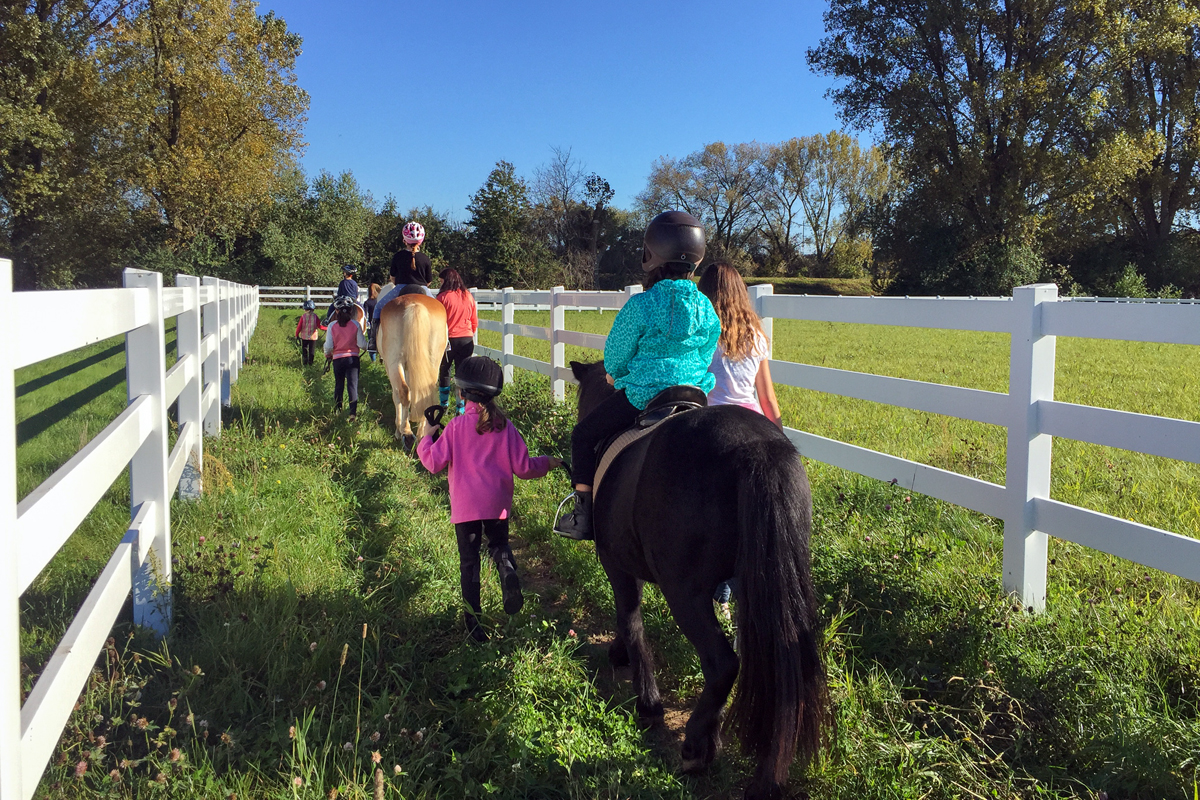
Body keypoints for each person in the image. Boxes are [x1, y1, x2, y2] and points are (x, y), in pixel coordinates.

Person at [553, 211, 720, 541]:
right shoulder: (706, 306)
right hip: (693, 394)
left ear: (651, 255)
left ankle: (583, 514)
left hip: (644, 396)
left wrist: (614, 376)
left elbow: (616, 352)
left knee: (583, 436)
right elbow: (706, 352)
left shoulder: (641, 305)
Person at [417, 356, 561, 641]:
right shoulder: (504, 427)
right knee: (499, 545)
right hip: (496, 505)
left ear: (461, 393)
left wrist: (426, 437)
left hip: (466, 508)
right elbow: (524, 468)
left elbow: (433, 463)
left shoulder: (456, 428)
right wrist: (549, 461)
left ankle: (474, 627)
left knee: (469, 563)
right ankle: (506, 567)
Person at [697, 260, 783, 429]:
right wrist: (781, 438)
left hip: (712, 418)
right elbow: (767, 398)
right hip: (752, 416)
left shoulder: (701, 334)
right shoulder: (755, 335)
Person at [372, 221, 434, 329]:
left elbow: (393, 278)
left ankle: (372, 339)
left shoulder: (398, 256)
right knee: (440, 309)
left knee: (378, 308)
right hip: (422, 288)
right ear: (421, 241)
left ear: (404, 240)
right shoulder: (425, 258)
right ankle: (446, 342)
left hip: (401, 287)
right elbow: (428, 281)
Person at [436, 268, 478, 414]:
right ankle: (460, 407)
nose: (440, 284)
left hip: (449, 340)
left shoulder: (443, 297)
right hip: (466, 339)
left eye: (441, 281)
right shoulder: (468, 296)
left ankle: (444, 405)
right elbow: (474, 321)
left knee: (445, 371)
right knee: (462, 374)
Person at [324, 297, 367, 420]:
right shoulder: (356, 325)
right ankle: (352, 413)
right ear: (351, 311)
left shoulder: (332, 326)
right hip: (353, 359)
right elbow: (362, 345)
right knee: (352, 385)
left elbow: (328, 346)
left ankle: (338, 410)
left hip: (338, 360)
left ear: (336, 311)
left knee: (339, 384)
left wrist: (328, 354)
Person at [294, 300, 325, 366]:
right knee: (312, 350)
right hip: (313, 337)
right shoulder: (315, 317)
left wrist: (296, 335)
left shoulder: (303, 317)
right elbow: (320, 326)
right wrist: (327, 328)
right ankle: (310, 363)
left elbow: (299, 327)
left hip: (304, 336)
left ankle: (305, 362)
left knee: (304, 349)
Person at [363, 283, 381, 361]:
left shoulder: (367, 302)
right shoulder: (380, 301)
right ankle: (381, 357)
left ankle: (373, 360)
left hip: (371, 323)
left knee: (371, 341)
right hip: (380, 323)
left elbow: (365, 314)